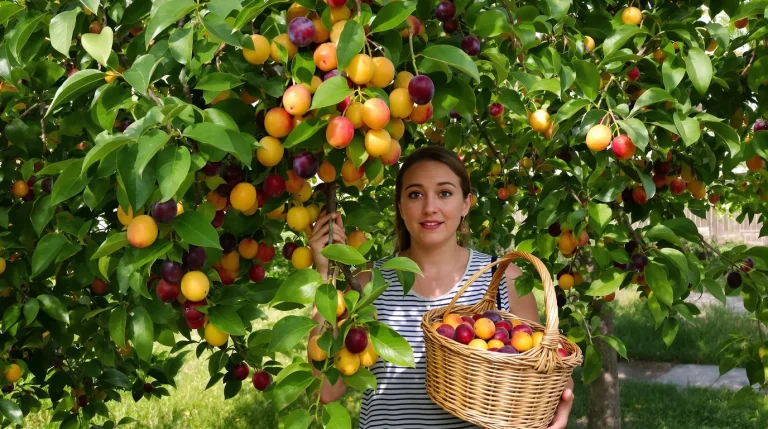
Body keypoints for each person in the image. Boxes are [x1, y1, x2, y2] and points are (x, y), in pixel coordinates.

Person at [308, 145, 574, 429]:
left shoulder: (503, 279)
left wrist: (560, 410)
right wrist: (326, 277)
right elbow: (326, 390)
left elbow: (547, 373)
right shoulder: (368, 284)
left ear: (465, 203)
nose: (430, 207)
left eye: (444, 193)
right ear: (400, 205)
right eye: (415, 194)